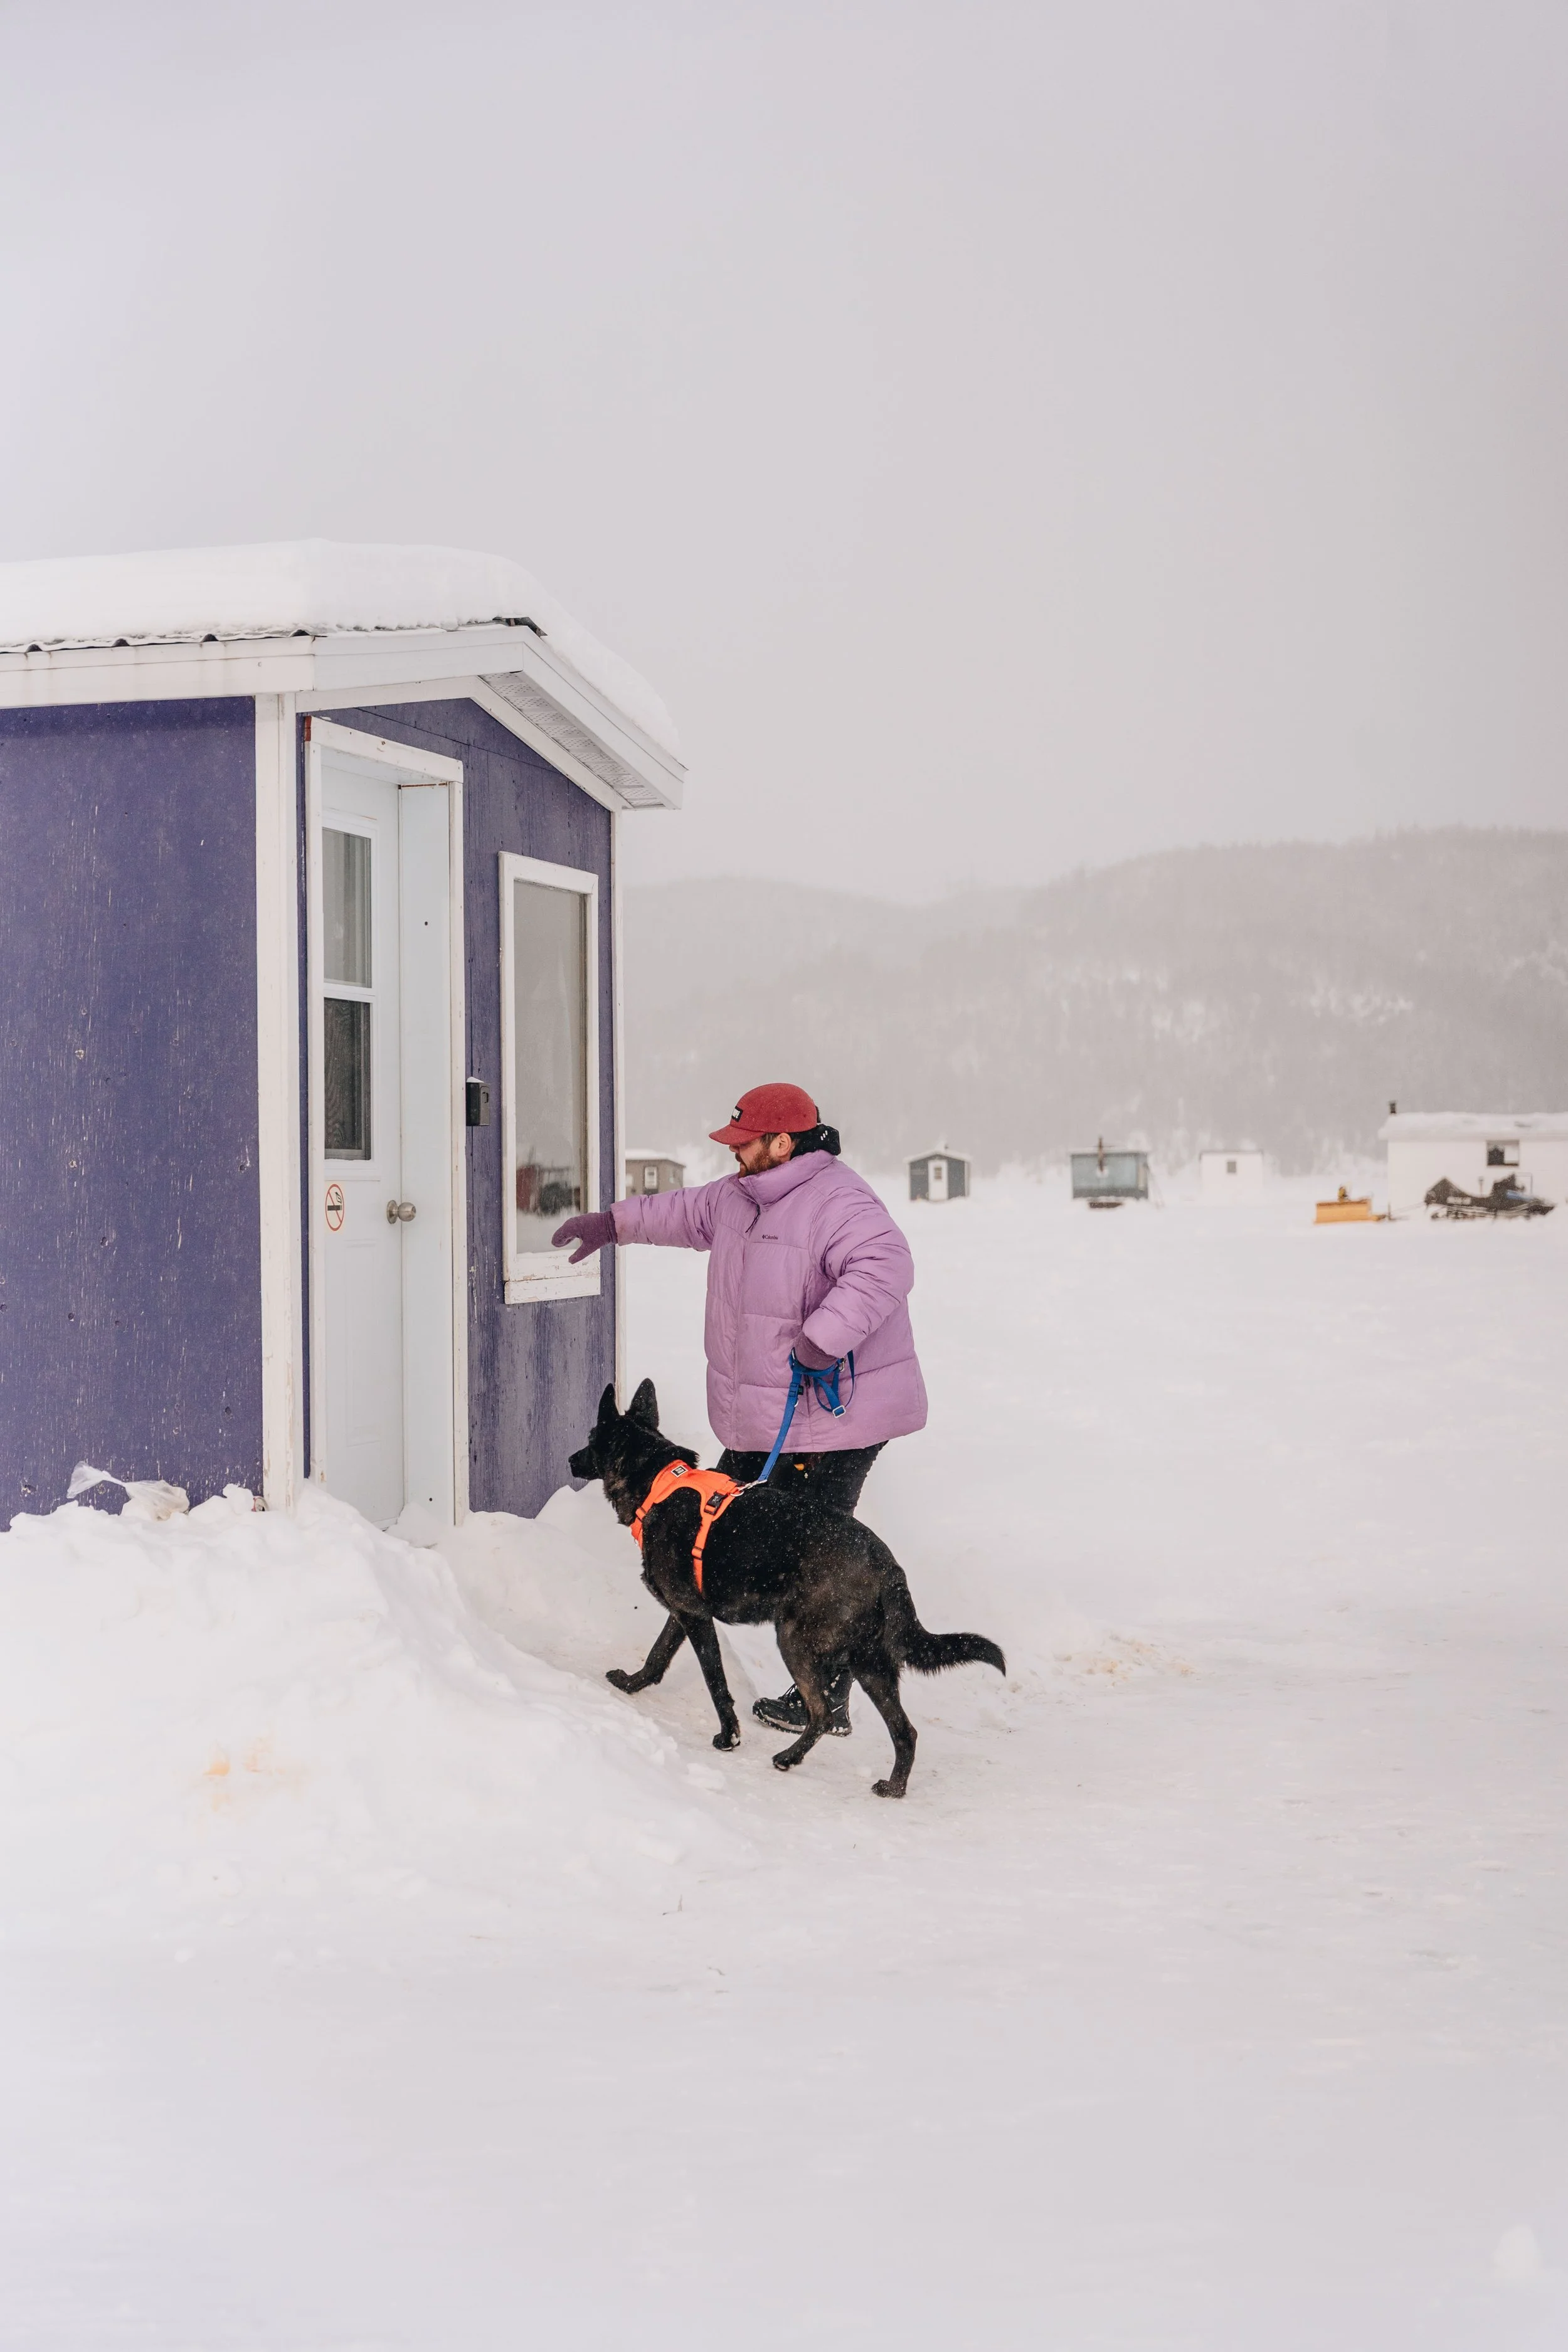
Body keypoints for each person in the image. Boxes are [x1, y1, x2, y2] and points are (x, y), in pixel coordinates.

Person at [551, 1081, 928, 1736]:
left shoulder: (838, 1201)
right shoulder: (738, 1197)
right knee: (697, 1534)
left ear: (782, 1143)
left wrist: (822, 1338)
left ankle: (828, 1698)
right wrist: (611, 1224)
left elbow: (884, 1266)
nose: (733, 1154)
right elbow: (678, 1213)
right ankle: (663, 1666)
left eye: (744, 1142)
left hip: (837, 1418)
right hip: (767, 1413)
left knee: (817, 1555)